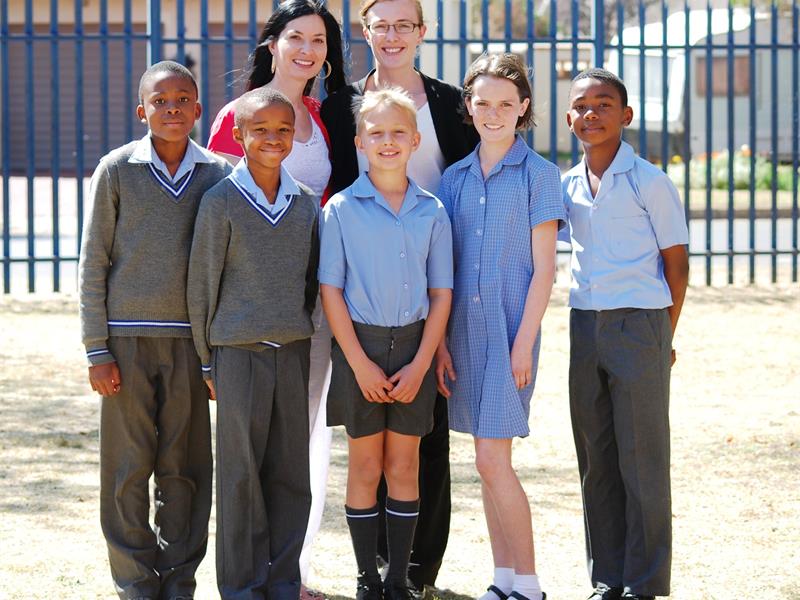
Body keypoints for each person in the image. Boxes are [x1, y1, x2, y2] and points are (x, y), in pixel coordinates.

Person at [321, 0, 478, 588]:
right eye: (380, 24)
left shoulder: (449, 104)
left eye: (403, 24)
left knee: (420, 448)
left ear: (421, 32)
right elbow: (331, 281)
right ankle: (372, 570)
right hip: (364, 300)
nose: (392, 34)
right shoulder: (342, 110)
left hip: (424, 292)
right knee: (367, 460)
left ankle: (414, 569)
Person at [206, 0, 346, 590]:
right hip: (251, 313)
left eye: (319, 40)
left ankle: (295, 571)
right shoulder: (236, 117)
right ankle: (250, 573)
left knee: (306, 436)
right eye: (296, 37)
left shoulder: (320, 118)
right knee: (252, 447)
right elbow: (218, 217)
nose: (307, 50)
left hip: (313, 308)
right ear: (271, 44)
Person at [78, 60, 231, 599]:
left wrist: (213, 353)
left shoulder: (218, 174)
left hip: (191, 344)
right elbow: (94, 261)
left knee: (184, 467)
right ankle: (135, 581)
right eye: (160, 101)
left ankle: (179, 578)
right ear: (142, 111)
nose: (172, 109)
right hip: (126, 343)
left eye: (182, 99)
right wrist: (97, 348)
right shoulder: (117, 169)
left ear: (198, 108)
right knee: (127, 466)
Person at [435, 53, 564, 600]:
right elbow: (443, 269)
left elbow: (545, 270)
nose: (493, 113)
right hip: (463, 338)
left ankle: (529, 585)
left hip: (510, 337)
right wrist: (440, 344)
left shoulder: (541, 176)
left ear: (523, 107)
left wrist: (524, 344)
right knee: (485, 463)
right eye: (483, 102)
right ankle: (503, 579)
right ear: (468, 105)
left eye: (505, 104)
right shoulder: (453, 179)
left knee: (492, 459)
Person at [319, 88, 453, 600]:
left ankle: (398, 579)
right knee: (365, 466)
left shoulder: (432, 211)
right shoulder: (341, 209)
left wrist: (421, 364)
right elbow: (331, 291)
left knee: (404, 466)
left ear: (416, 140)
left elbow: (441, 295)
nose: (388, 141)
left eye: (399, 132)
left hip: (414, 351)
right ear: (359, 142)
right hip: (361, 350)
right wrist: (358, 363)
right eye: (376, 133)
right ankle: (366, 579)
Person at [561, 68, 689, 600]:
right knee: (595, 459)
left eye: (604, 104)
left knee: (643, 459)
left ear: (626, 115)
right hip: (585, 325)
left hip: (640, 324)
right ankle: (607, 579)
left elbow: (677, 264)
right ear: (569, 118)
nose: (591, 114)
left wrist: (662, 336)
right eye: (581, 106)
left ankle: (643, 582)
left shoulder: (650, 182)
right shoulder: (566, 185)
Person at [187, 86, 320, 599]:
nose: (272, 138)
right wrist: (207, 361)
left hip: (291, 352)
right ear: (239, 135)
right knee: (240, 475)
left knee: (290, 474)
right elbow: (202, 286)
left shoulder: (305, 203)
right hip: (236, 355)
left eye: (283, 130)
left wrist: (296, 330)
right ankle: (242, 586)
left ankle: (283, 582)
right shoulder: (220, 201)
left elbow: (311, 281)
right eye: (260, 129)